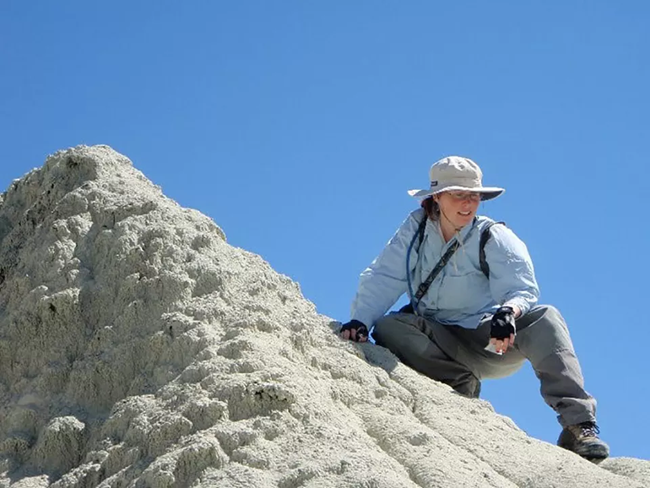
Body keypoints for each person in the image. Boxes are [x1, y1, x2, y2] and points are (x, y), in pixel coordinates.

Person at [339, 156, 609, 462]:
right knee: (387, 326)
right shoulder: (414, 230)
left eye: (474, 196)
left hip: (488, 341)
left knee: (546, 317)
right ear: (436, 198)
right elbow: (385, 276)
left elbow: (521, 288)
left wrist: (509, 312)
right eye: (458, 195)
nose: (468, 204)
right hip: (434, 340)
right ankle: (459, 382)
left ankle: (578, 425)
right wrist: (360, 320)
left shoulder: (491, 235)